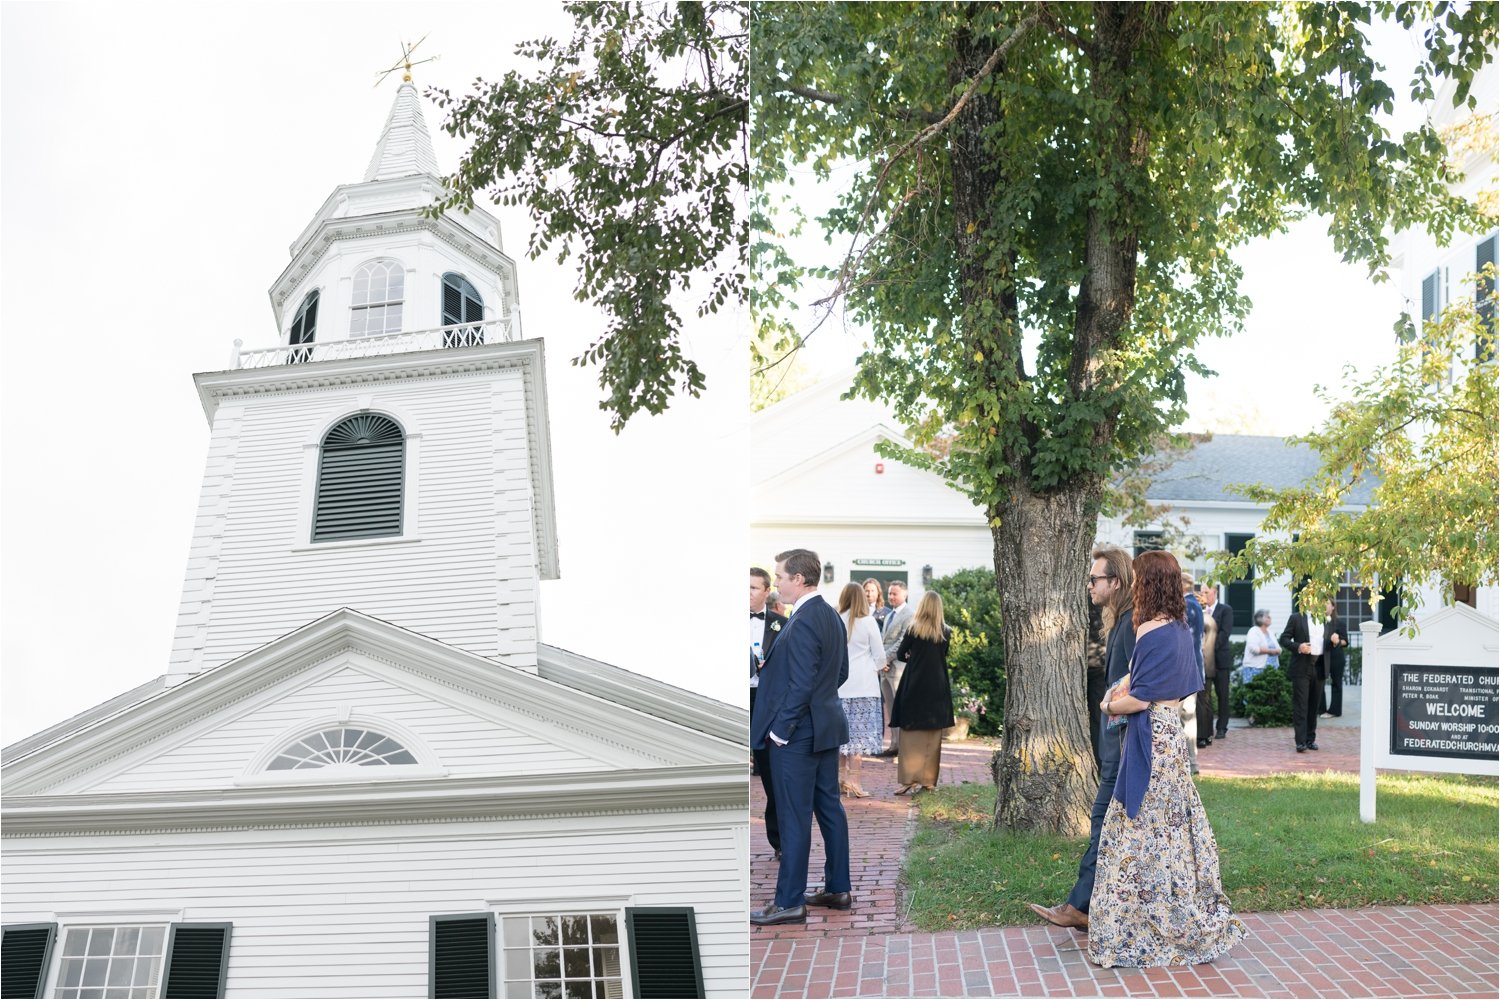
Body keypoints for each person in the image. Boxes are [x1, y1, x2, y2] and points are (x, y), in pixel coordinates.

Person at [1088, 549, 1248, 968]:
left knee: (1135, 828)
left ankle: (1137, 929)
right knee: (1170, 829)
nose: (1134, 583)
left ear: (1148, 583)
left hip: (1149, 737)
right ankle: (1173, 909)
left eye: (1139, 577)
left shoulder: (1147, 630)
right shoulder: (1180, 628)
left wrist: (1108, 705)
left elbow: (1139, 698)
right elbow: (1180, 685)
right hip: (1172, 736)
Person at [1028, 545, 1135, 931]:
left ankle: (1081, 907)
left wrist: (1111, 713)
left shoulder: (1131, 622)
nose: (1090, 584)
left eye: (1095, 579)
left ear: (1116, 582)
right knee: (1108, 822)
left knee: (1105, 819)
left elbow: (1133, 685)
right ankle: (1089, 905)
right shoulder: (1119, 619)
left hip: (1123, 742)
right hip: (1116, 741)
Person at [749, 548, 853, 926]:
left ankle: (789, 901)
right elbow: (838, 673)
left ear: (799, 579)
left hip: (797, 736)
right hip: (824, 727)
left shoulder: (806, 619)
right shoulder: (828, 616)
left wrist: (780, 730)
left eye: (780, 576)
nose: (776, 582)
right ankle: (838, 887)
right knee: (829, 808)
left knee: (794, 817)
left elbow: (803, 683)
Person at [890, 591, 955, 794]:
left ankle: (908, 780)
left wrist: (914, 658)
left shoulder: (913, 629)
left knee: (910, 732)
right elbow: (943, 655)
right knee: (932, 734)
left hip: (915, 682)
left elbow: (901, 654)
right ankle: (928, 781)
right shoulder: (946, 632)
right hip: (937, 685)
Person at [749, 567, 788, 853]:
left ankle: (779, 840)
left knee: (772, 774)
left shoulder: (780, 623)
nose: (746, 594)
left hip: (764, 701)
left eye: (752, 588)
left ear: (766, 591)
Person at [836, 582, 885, 797]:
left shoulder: (836, 619)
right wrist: (871, 669)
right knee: (859, 738)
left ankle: (838, 779)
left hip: (839, 686)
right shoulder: (868, 622)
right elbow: (880, 656)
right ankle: (854, 781)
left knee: (839, 736)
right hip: (864, 686)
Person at [1280, 601, 1327, 753]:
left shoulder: (1325, 619)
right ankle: (1300, 742)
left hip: (1319, 665)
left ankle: (1310, 739)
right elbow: (1284, 639)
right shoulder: (1296, 618)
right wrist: (1298, 647)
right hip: (1302, 666)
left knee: (1315, 705)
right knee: (1301, 705)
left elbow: (1331, 643)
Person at [878, 581, 914, 756]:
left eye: (895, 594)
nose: (891, 597)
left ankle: (903, 747)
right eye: (890, 594)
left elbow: (902, 641)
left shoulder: (909, 614)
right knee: (890, 709)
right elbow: (884, 640)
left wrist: (885, 659)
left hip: (897, 667)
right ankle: (894, 745)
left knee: (900, 708)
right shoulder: (890, 614)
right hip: (884, 669)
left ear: (905, 594)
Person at [1199, 584, 1234, 739]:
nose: (1203, 595)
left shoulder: (1225, 610)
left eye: (1206, 592)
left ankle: (1222, 727)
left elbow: (1225, 633)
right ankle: (1206, 729)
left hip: (1220, 659)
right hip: (1203, 661)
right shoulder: (1198, 611)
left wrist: (1209, 648)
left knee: (1222, 694)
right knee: (1205, 696)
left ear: (1215, 592)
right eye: (1201, 592)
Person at [1182, 572, 1206, 763]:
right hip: (1194, 667)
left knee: (1184, 715)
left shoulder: (1187, 605)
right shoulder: (1196, 605)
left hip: (1186, 669)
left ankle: (1189, 761)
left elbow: (1185, 639)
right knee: (1188, 716)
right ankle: (1191, 760)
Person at [1321, 599, 1348, 718]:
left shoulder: (1340, 622)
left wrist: (1337, 641)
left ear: (1333, 607)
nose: (1324, 606)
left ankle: (1334, 711)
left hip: (1336, 657)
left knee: (1336, 683)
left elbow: (1345, 641)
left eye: (1327, 603)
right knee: (1319, 683)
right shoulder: (1317, 622)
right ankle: (1320, 709)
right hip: (1321, 656)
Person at [1241, 610, 1280, 683]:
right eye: (1267, 617)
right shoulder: (1253, 631)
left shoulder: (1270, 632)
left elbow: (1278, 649)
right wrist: (1271, 651)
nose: (1270, 618)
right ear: (1260, 619)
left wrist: (1277, 651)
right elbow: (1254, 649)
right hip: (1255, 669)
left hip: (1271, 670)